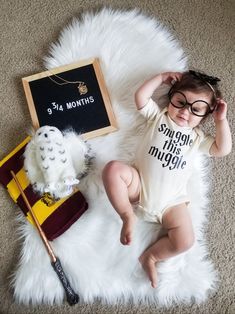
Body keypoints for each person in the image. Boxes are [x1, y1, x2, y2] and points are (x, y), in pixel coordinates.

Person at [102, 70, 232, 288]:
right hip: (139, 186)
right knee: (112, 170)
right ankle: (127, 215)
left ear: (205, 115)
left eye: (196, 109)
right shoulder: (158, 117)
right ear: (171, 97)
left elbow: (223, 149)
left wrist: (221, 120)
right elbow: (140, 98)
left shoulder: (198, 138)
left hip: (172, 204)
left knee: (186, 241)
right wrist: (161, 78)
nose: (184, 112)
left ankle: (151, 257)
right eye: (180, 102)